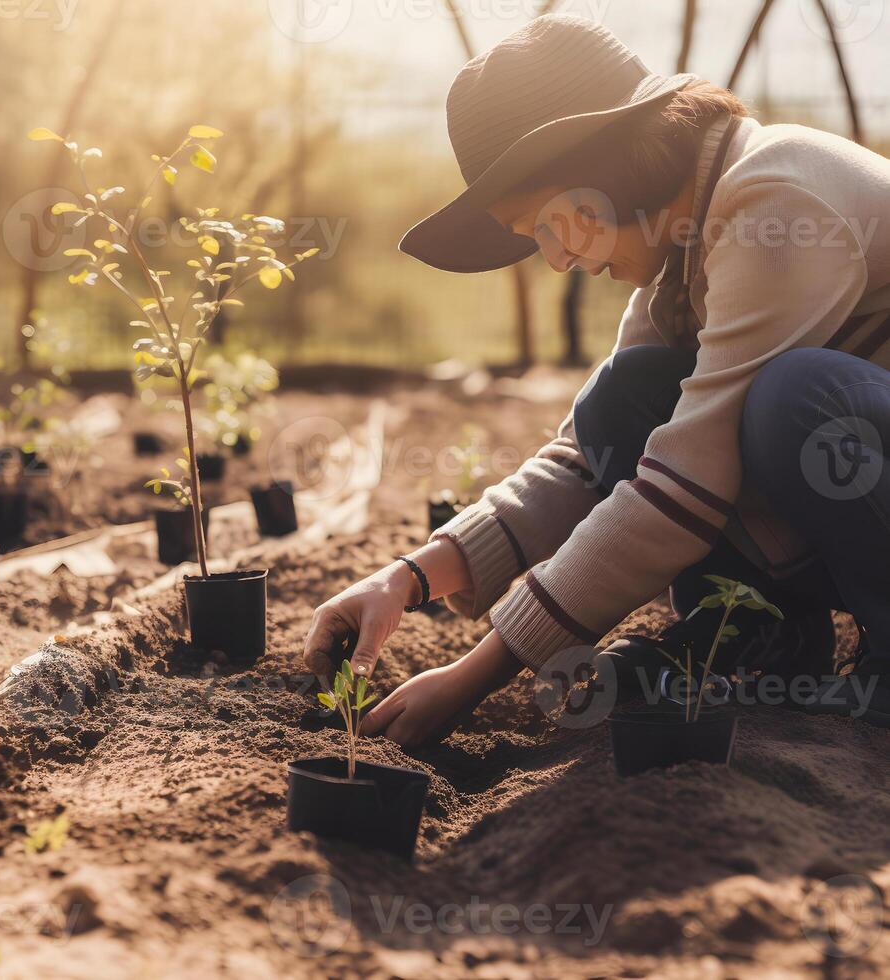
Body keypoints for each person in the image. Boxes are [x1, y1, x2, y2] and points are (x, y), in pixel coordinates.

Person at [303, 15, 890, 742]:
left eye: (548, 225)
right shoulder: (683, 256)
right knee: (629, 396)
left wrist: (472, 679)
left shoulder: (774, 202)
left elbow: (683, 486)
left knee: (793, 400)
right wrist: (410, 577)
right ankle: (753, 629)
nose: (554, 259)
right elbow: (584, 459)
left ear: (612, 167)